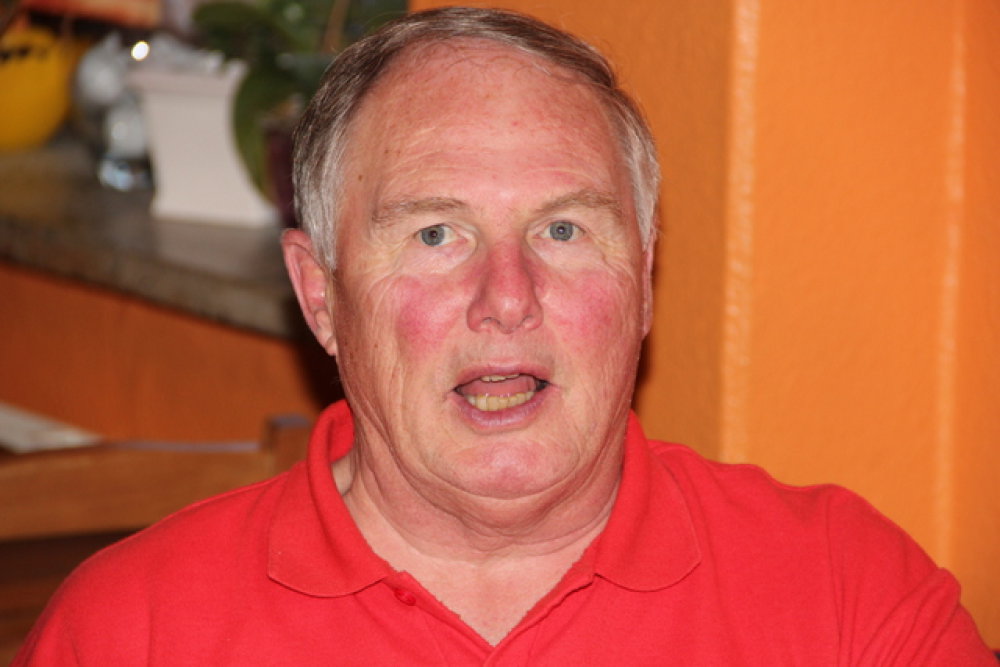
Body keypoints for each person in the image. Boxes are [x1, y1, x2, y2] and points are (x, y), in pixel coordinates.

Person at [15, 7, 994, 664]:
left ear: (644, 281)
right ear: (320, 296)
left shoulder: (847, 599)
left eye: (563, 230)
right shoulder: (131, 633)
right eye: (435, 234)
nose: (507, 298)